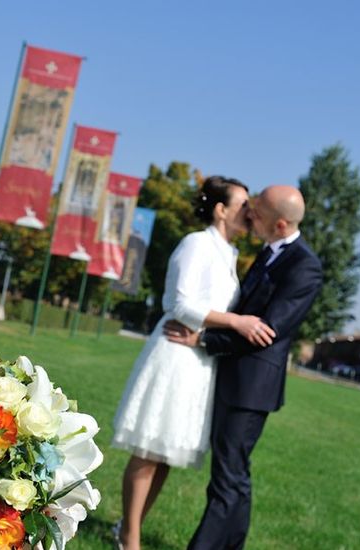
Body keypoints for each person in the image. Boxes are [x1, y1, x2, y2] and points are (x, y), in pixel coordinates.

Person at [111, 176, 276, 550]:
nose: (250, 213)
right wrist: (236, 321)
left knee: (168, 451)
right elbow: (179, 304)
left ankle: (126, 526)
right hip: (173, 354)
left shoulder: (228, 253)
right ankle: (130, 539)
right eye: (243, 205)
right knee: (150, 447)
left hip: (199, 360)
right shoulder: (196, 244)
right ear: (221, 210)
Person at [166, 185, 323, 550]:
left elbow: (266, 330)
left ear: (281, 225)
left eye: (257, 212)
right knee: (234, 475)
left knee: (226, 478)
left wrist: (203, 340)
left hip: (252, 387)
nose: (249, 214)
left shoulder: (304, 266)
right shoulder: (268, 253)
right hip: (236, 378)